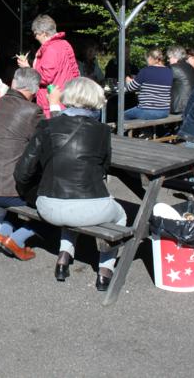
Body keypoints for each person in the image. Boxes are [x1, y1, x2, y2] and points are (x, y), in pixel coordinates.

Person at [14, 77, 127, 291]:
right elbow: (104, 168)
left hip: (49, 206)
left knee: (71, 206)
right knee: (121, 215)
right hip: (89, 206)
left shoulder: (47, 125)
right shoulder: (102, 131)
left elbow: (23, 171)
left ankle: (63, 257)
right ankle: (105, 270)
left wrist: (30, 191)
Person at [0, 68, 45, 261]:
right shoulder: (32, 111)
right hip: (6, 192)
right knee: (51, 205)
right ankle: (17, 238)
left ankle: (3, 233)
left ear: (13, 83)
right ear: (35, 89)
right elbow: (48, 144)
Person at [16, 14, 79, 117]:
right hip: (67, 98)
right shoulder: (65, 44)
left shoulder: (51, 49)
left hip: (52, 103)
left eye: (36, 34)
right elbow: (74, 71)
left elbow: (45, 77)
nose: (35, 37)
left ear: (44, 34)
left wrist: (27, 68)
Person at [123, 48, 173, 120]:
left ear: (150, 58)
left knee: (122, 116)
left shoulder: (145, 71)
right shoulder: (169, 71)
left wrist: (128, 81)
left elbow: (130, 88)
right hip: (164, 111)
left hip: (146, 110)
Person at [167, 45, 194, 114]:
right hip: (192, 105)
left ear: (174, 57)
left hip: (179, 108)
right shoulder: (190, 67)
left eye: (169, 58)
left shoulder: (173, 68)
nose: (168, 60)